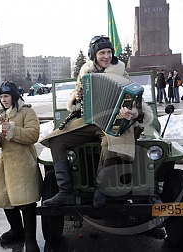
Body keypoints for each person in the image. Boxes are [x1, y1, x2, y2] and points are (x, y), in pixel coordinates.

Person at [40, 35, 154, 208]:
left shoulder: (120, 71)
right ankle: (66, 192)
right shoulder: (85, 72)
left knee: (110, 143)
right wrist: (76, 98)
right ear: (94, 54)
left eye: (109, 52)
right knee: (56, 140)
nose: (106, 56)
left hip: (114, 123)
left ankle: (101, 191)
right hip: (89, 121)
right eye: (102, 52)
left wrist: (136, 112)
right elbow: (77, 100)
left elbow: (136, 97)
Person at [0, 81, 41, 252]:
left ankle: (30, 240)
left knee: (26, 203)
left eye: (6, 96)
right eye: (1, 96)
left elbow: (33, 135)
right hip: (6, 162)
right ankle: (17, 230)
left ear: (14, 96)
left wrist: (11, 130)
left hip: (23, 161)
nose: (4, 99)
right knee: (5, 200)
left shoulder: (27, 112)